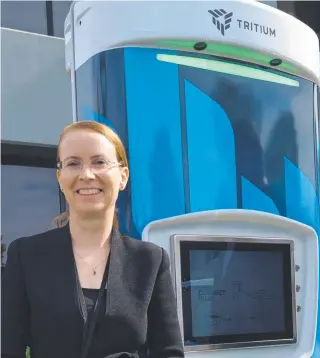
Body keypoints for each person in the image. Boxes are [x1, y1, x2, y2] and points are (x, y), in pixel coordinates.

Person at [1, 121, 185, 358]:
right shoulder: (25, 256)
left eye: (99, 162)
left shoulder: (150, 261)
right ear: (60, 177)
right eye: (73, 163)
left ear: (123, 176)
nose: (86, 174)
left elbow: (169, 353)